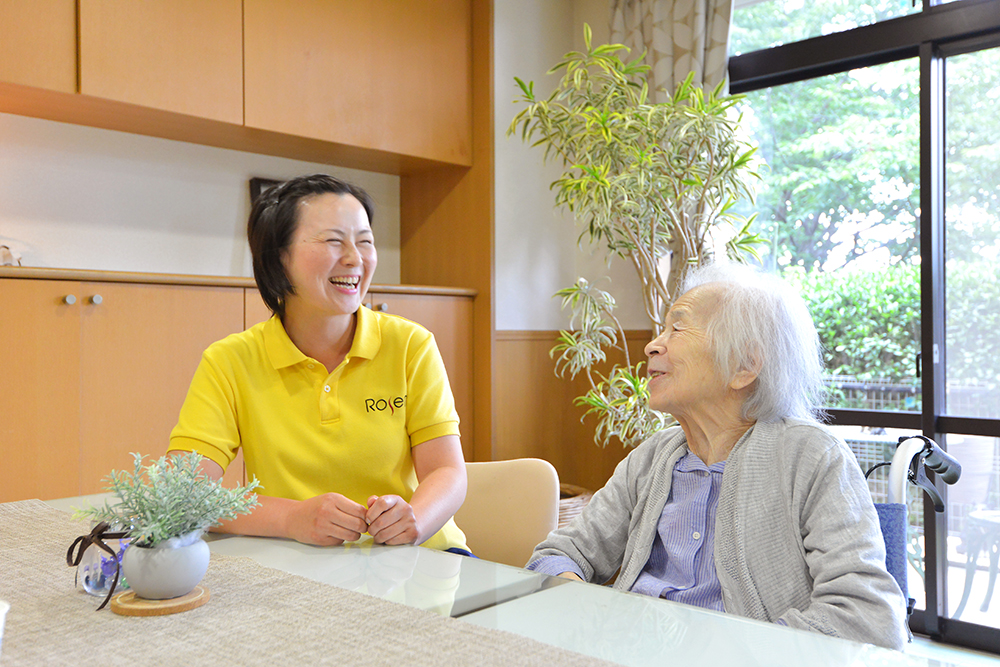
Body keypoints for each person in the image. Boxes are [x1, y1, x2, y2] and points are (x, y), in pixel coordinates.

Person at [527, 262, 908, 649]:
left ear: (744, 367)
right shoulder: (652, 458)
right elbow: (557, 555)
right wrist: (594, 618)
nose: (652, 345)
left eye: (677, 328)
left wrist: (732, 652)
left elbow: (866, 617)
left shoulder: (812, 458)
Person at [168, 174, 469, 553]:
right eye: (333, 240)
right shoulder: (229, 361)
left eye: (365, 241)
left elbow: (447, 471)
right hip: (300, 567)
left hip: (420, 558)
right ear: (279, 256)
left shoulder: (411, 345)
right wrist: (291, 518)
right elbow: (184, 493)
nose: (355, 259)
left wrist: (416, 520)